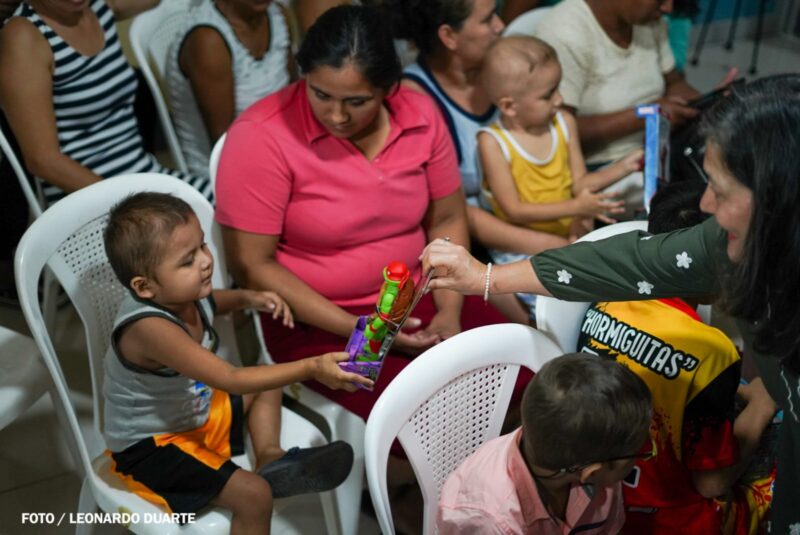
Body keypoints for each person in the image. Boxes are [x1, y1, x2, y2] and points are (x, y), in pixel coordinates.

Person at [421, 75, 800, 534]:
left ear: (778, 195)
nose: (705, 204)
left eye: (720, 190)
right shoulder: (729, 252)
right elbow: (630, 261)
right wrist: (486, 277)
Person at [215, 5, 508, 423]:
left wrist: (449, 310)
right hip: (315, 320)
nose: (337, 116)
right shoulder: (261, 135)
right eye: (321, 94)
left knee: (522, 382)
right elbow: (252, 265)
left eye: (357, 101)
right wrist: (365, 330)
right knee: (429, 420)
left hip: (423, 296)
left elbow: (446, 219)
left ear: (388, 88)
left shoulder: (419, 115)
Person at [102, 192, 370, 534]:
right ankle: (264, 477)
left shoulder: (183, 295)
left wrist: (247, 298)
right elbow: (229, 377)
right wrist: (312, 367)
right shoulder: (150, 328)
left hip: (193, 413)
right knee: (254, 495)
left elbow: (214, 302)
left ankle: (270, 456)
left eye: (202, 245)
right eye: (187, 260)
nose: (205, 261)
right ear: (144, 287)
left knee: (267, 381)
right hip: (151, 446)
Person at [578, 180, 775, 534]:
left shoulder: (608, 298)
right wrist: (761, 407)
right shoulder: (711, 351)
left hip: (597, 501)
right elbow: (711, 484)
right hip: (664, 519)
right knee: (782, 468)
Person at [382, 0, 568, 254]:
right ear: (449, 36)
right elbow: (450, 211)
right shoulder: (414, 99)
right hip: (485, 247)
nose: (500, 26)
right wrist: (559, 248)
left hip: (557, 222)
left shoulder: (512, 66)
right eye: (487, 19)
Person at [0, 0, 213, 206]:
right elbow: (42, 160)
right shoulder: (23, 36)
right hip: (89, 199)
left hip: (143, 176)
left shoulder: (99, 7)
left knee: (228, 198)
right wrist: (129, 202)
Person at [532, 0, 724, 217]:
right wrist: (647, 115)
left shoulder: (649, 20)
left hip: (659, 148)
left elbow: (673, 83)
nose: (668, 8)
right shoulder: (564, 33)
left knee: (730, 170)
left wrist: (713, 102)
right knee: (702, 201)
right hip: (603, 169)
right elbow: (556, 132)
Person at [438, 352, 653, 534]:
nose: (646, 448)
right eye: (639, 451)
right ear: (592, 473)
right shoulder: (487, 520)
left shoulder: (596, 458)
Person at [166, 0, 294, 178]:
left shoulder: (277, 15)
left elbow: (295, 97)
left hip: (280, 149)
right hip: (226, 171)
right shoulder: (207, 41)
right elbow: (226, 148)